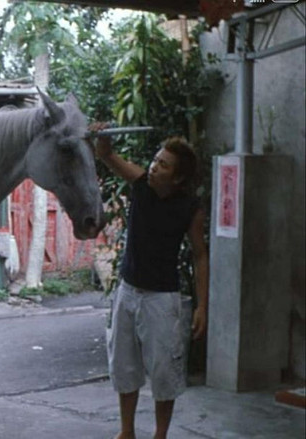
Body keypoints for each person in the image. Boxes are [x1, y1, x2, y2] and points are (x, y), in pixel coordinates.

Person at [88, 124, 209, 439]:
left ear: (178, 177)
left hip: (162, 299)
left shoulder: (189, 209)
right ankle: (126, 432)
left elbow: (200, 256)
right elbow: (107, 155)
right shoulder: (140, 183)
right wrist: (103, 137)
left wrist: (202, 307)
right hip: (127, 292)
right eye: (156, 160)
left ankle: (160, 435)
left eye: (163, 165)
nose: (154, 167)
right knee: (124, 367)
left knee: (163, 374)